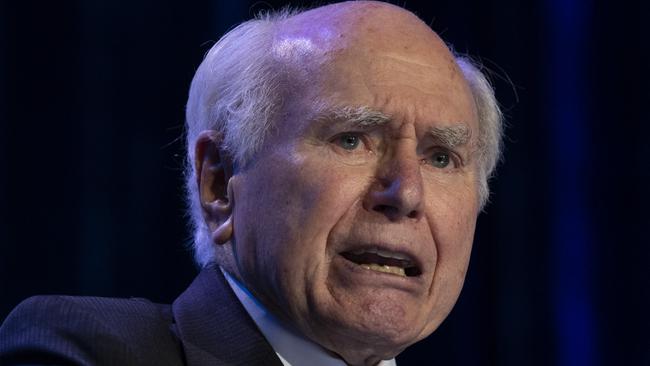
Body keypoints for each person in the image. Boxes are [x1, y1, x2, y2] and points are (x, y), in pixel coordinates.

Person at [0, 1, 502, 365]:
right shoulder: (86, 350)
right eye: (352, 140)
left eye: (441, 156)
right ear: (219, 182)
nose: (406, 193)